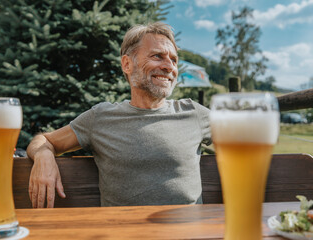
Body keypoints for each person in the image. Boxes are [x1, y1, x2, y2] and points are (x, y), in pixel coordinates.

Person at [27, 22, 211, 208]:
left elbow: (240, 139)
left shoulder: (194, 113)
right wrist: (43, 156)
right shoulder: (100, 118)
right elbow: (44, 140)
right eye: (157, 56)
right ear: (127, 64)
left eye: (174, 60)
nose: (169, 66)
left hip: (188, 231)